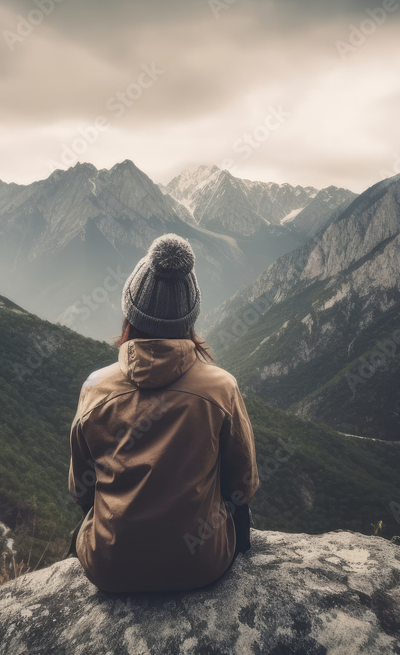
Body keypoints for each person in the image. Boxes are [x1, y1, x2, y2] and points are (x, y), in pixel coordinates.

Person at [66, 233, 259, 593]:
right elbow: (243, 485)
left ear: (129, 314)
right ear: (191, 318)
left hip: (110, 568)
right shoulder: (222, 389)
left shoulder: (95, 389)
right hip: (202, 564)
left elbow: (81, 489)